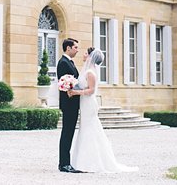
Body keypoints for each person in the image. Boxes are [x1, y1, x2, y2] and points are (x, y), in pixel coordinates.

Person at [68, 47, 138, 173]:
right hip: (84, 103)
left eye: (85, 53)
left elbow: (91, 90)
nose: (83, 54)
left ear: (90, 57)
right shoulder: (88, 70)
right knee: (85, 128)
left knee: (89, 129)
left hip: (88, 103)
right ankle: (83, 160)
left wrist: (75, 92)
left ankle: (90, 162)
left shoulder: (90, 72)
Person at [57, 38, 82, 173]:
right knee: (67, 133)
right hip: (69, 104)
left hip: (73, 103)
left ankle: (65, 162)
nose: (77, 50)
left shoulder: (69, 62)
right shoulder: (63, 63)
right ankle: (64, 163)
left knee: (69, 132)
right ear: (68, 48)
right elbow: (64, 84)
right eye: (75, 47)